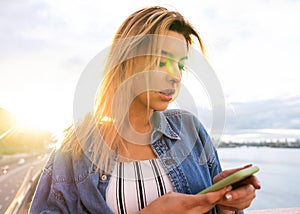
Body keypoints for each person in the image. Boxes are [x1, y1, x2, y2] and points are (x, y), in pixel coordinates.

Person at [29, 6, 260, 214]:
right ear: (128, 61)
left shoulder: (191, 131)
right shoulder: (75, 148)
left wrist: (224, 204)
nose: (176, 76)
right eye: (162, 61)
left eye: (180, 65)